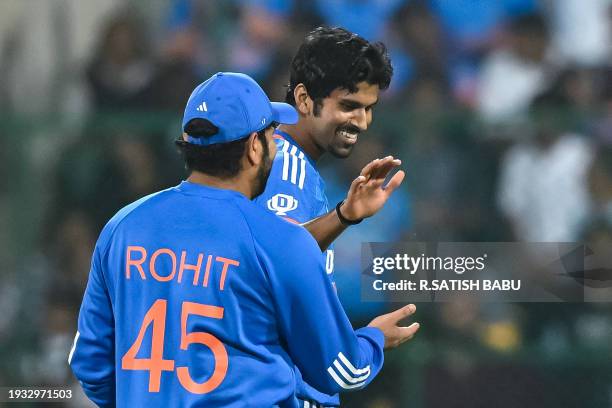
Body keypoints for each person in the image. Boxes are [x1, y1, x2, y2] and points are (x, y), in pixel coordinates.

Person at [68, 72, 420, 407]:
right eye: (271, 134)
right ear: (254, 147)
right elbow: (342, 370)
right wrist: (374, 340)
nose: (276, 144)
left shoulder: (123, 226)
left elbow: (90, 365)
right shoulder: (281, 240)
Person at [254, 26, 402, 407]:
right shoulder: (286, 168)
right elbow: (276, 259)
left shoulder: (297, 166)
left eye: (369, 108)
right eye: (349, 105)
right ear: (304, 98)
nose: (362, 122)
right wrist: (371, 340)